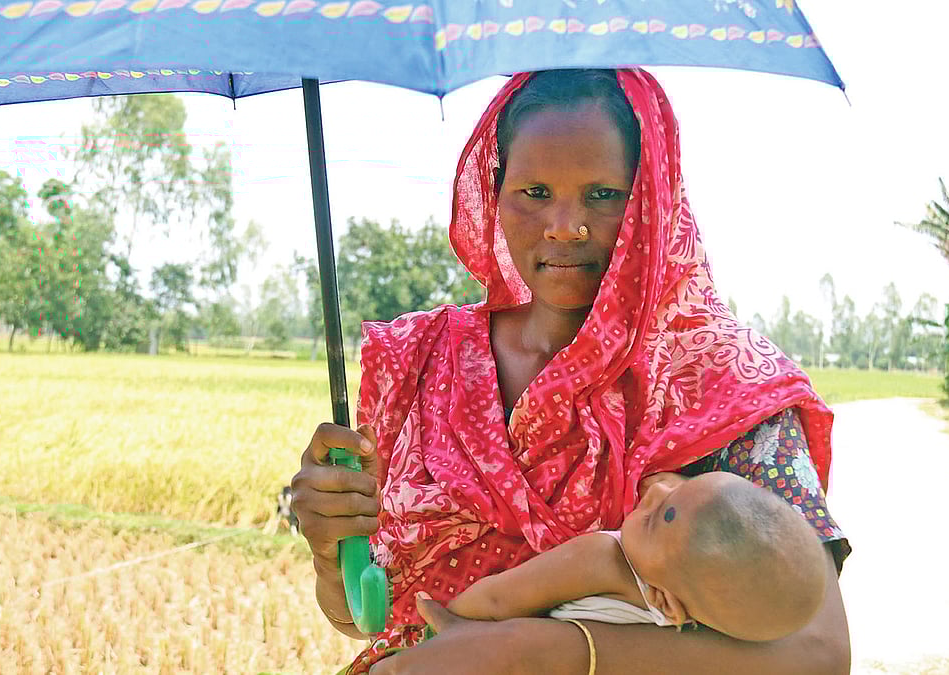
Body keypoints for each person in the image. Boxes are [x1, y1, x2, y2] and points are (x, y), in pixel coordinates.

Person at [290, 68, 852, 675]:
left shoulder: (723, 384)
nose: (566, 226)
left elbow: (816, 653)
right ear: (495, 192)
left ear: (652, 199)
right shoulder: (416, 362)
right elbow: (369, 616)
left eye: (604, 195)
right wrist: (330, 549)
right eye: (534, 193)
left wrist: (541, 650)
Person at [445, 471, 831, 643]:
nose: (657, 490)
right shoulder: (704, 598)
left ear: (665, 599)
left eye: (656, 518)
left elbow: (499, 599)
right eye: (686, 485)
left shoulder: (602, 558)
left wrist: (446, 623)